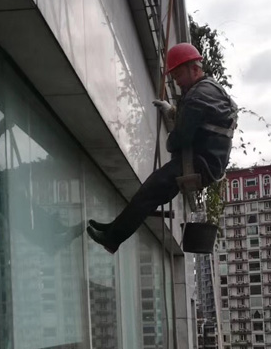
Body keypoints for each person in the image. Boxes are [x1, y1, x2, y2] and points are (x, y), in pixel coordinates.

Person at [86, 42, 237, 252]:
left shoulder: (197, 96)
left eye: (179, 76)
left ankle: (113, 238)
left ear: (195, 69)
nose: (177, 83)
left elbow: (181, 138)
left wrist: (170, 140)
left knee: (150, 192)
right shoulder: (210, 88)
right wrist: (173, 112)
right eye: (173, 78)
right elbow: (202, 122)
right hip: (207, 161)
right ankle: (113, 230)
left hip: (201, 164)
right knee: (150, 191)